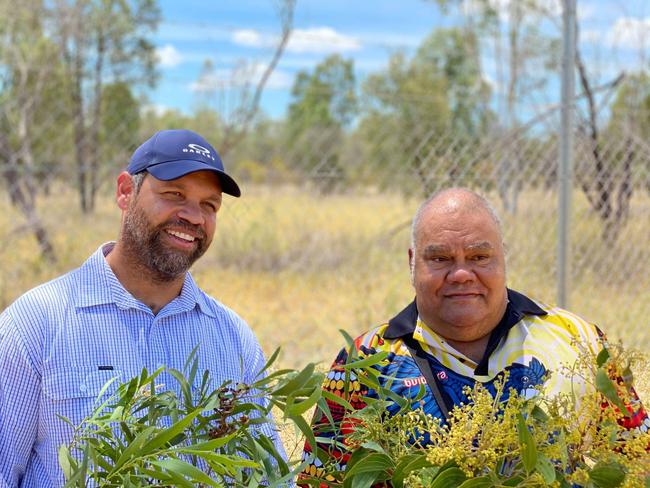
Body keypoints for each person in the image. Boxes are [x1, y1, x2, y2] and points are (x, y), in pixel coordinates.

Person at [298, 187, 649, 483]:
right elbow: (321, 482)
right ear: (412, 262)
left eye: (480, 256)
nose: (462, 273)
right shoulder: (367, 361)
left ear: (504, 257)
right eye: (440, 259)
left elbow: (638, 462)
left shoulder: (577, 340)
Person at [0, 129, 285, 487]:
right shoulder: (36, 324)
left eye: (209, 205)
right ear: (124, 192)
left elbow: (268, 477)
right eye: (174, 194)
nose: (194, 217)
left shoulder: (234, 339)